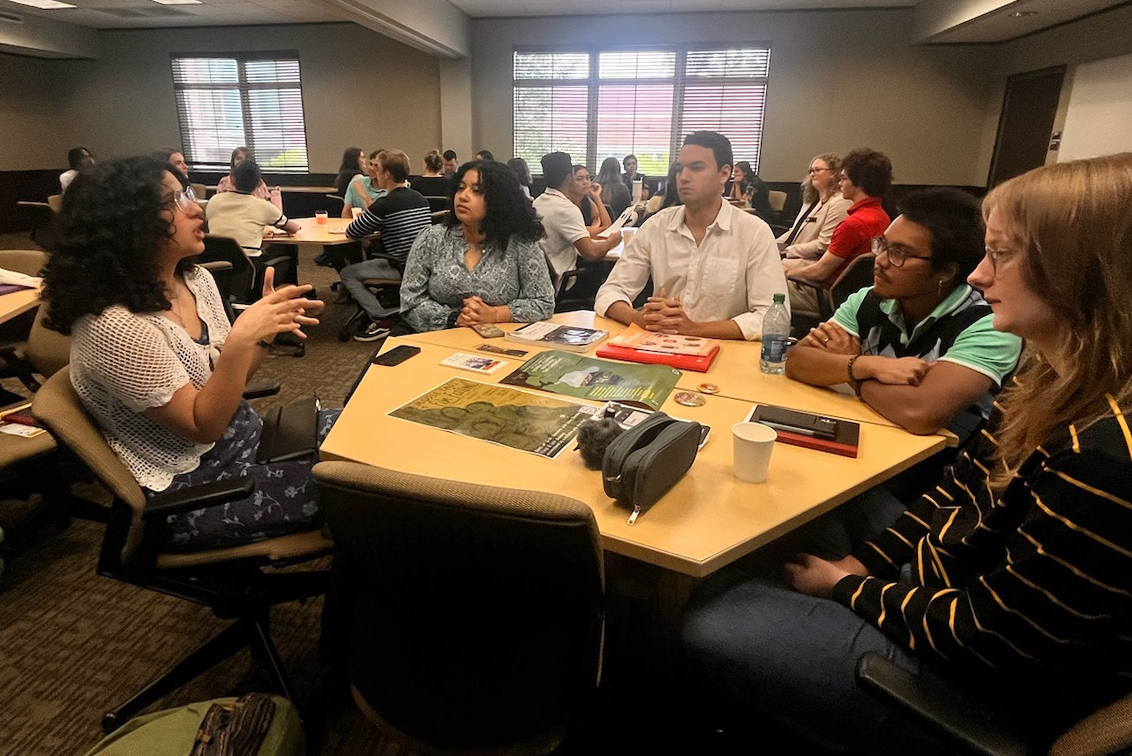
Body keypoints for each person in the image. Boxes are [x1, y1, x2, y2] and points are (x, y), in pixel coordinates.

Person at [682, 153, 1132, 754]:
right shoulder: (1049, 382)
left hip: (976, 686)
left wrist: (847, 589)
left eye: (1001, 255)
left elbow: (984, 635)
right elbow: (957, 496)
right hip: (951, 583)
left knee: (710, 607)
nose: (979, 275)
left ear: (1084, 273)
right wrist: (859, 567)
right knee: (807, 525)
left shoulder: (1101, 458)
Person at [41, 156, 335, 551]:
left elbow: (228, 384)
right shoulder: (113, 326)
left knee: (365, 434)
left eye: (190, 194)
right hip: (200, 484)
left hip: (248, 437)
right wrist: (242, 339)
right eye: (176, 200)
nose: (196, 207)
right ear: (126, 221)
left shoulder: (196, 280)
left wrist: (263, 334)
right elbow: (203, 426)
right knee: (361, 487)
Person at [786, 188, 1022, 442]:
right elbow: (798, 361)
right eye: (883, 245)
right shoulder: (869, 299)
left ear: (946, 270)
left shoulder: (990, 323)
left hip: (936, 466)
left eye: (899, 253)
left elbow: (920, 412)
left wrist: (850, 373)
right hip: (867, 434)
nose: (881, 261)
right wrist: (866, 365)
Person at [595, 131, 785, 341]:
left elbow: (772, 317)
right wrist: (639, 319)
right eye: (679, 169)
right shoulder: (657, 226)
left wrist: (692, 329)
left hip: (724, 353)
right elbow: (610, 292)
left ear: (724, 174)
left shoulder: (754, 232)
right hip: (660, 345)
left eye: (696, 168)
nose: (683, 177)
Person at [398, 160, 554, 333]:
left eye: (477, 191)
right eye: (460, 188)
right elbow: (410, 300)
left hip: (499, 339)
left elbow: (543, 302)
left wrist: (495, 314)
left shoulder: (521, 242)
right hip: (436, 335)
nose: (463, 196)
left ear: (499, 199)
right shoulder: (431, 238)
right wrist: (454, 318)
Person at [338, 149, 432, 341]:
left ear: (387, 174)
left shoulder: (385, 204)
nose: (375, 173)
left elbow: (353, 231)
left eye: (378, 169)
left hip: (401, 267)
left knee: (347, 274)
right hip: (425, 265)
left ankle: (381, 317)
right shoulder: (420, 198)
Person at [786, 148, 892, 311]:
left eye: (843, 178)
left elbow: (818, 273)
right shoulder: (883, 217)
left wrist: (788, 272)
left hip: (825, 295)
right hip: (859, 298)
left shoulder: (852, 224)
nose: (840, 183)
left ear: (858, 182)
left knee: (761, 287)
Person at [204, 159, 301, 285]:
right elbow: (293, 228)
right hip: (248, 266)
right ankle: (290, 292)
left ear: (232, 180)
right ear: (259, 184)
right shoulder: (263, 206)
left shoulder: (214, 200)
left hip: (215, 264)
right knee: (289, 248)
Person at [532, 151, 621, 285]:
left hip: (541, 278)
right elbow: (591, 253)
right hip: (563, 280)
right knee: (608, 275)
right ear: (569, 178)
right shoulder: (566, 209)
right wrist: (611, 242)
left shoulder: (537, 203)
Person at [777, 153, 852, 261]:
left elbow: (824, 244)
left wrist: (786, 252)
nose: (812, 174)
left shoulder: (840, 202)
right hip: (791, 255)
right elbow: (794, 231)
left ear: (833, 173)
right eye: (811, 171)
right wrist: (773, 245)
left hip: (808, 261)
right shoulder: (810, 201)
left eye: (817, 170)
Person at [216, 147, 282, 212]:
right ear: (233, 161)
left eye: (246, 159)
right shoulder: (225, 181)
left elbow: (266, 204)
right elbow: (219, 204)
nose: (242, 161)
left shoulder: (259, 183)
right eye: (239, 158)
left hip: (256, 213)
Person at [340, 149, 386, 218]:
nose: (371, 168)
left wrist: (365, 196)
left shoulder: (391, 189)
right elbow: (346, 213)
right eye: (370, 164)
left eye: (376, 166)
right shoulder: (357, 183)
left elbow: (380, 216)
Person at [572, 164, 613, 234]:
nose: (585, 182)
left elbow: (607, 226)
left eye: (588, 178)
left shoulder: (587, 202)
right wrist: (594, 229)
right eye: (579, 179)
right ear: (569, 183)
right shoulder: (565, 204)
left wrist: (597, 197)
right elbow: (575, 232)